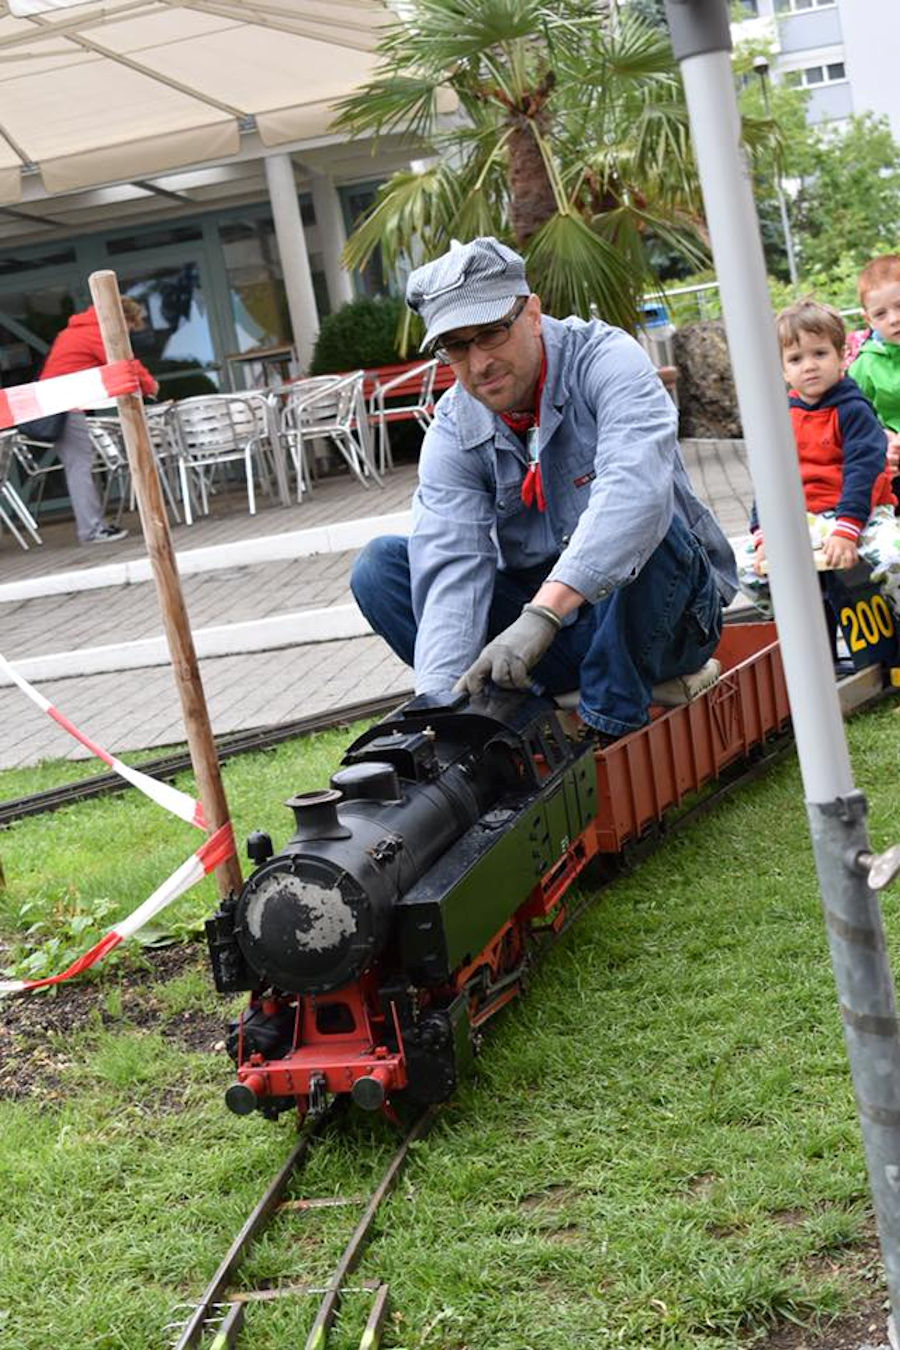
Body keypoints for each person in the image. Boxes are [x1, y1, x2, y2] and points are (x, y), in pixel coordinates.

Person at [350, 237, 738, 743]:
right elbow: (449, 566)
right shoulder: (452, 425)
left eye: (490, 334)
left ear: (532, 313)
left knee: (648, 519)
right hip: (546, 641)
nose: (478, 362)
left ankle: (605, 732)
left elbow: (635, 490)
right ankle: (503, 723)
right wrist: (440, 702)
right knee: (381, 567)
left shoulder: (607, 359)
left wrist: (543, 613)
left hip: (665, 618)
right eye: (456, 348)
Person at [738, 298, 900, 619]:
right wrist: (764, 534)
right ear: (783, 371)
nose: (809, 365)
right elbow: (771, 479)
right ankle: (800, 627)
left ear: (841, 356)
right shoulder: (782, 417)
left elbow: (862, 472)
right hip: (807, 519)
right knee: (747, 569)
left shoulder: (853, 410)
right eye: (796, 359)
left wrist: (846, 529)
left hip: (861, 514)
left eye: (820, 353)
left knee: (894, 557)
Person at [36, 297, 158, 544]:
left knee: (79, 464)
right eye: (130, 327)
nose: (128, 333)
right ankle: (91, 530)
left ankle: (95, 526)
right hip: (63, 405)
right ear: (123, 319)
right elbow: (125, 365)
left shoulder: (77, 330)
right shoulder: (97, 334)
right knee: (80, 465)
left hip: (56, 403)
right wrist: (151, 386)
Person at [848, 254, 900, 483]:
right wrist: (882, 437)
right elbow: (857, 416)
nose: (894, 319)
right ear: (868, 319)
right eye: (881, 313)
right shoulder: (865, 365)